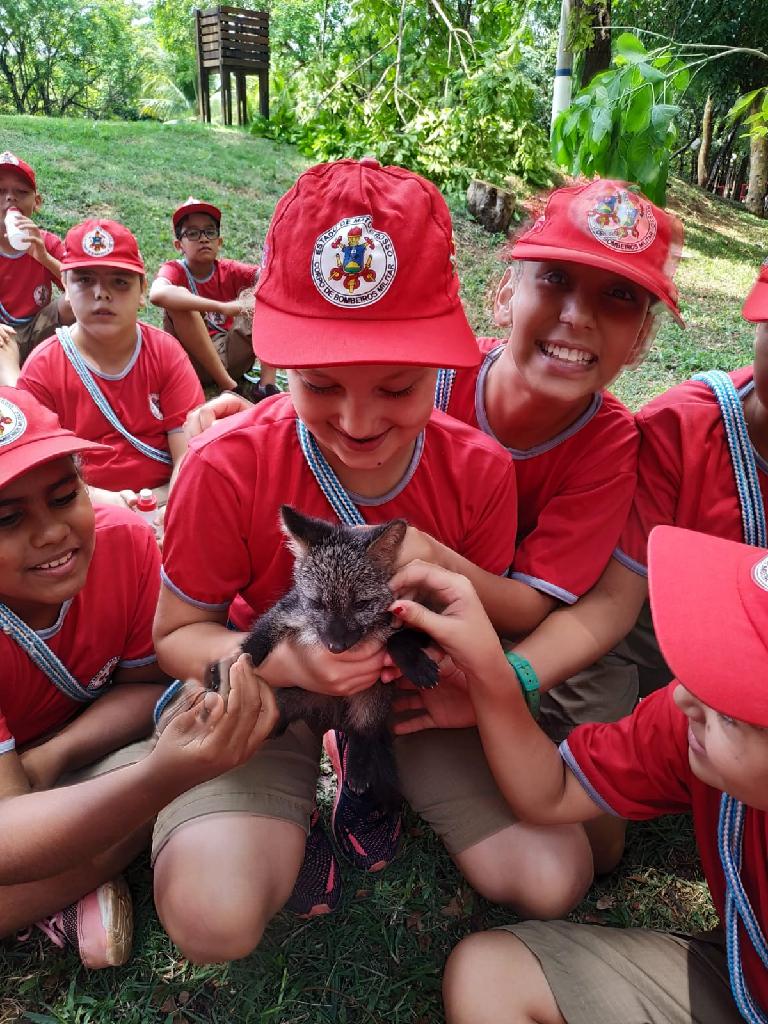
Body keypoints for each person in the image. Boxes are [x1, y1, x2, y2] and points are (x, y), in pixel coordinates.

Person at [150, 157, 594, 965]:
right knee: (212, 916)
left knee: (552, 875)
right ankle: (308, 784)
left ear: (444, 366)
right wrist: (290, 666)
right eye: (318, 385)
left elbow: (477, 628)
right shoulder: (226, 466)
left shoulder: (478, 471)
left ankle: (359, 761)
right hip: (267, 691)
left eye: (397, 387)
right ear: (277, 361)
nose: (358, 420)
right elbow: (180, 634)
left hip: (404, 701)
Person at [386, 526, 768, 1024]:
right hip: (746, 977)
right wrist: (489, 678)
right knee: (490, 977)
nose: (681, 699)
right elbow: (554, 793)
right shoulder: (686, 723)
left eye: (732, 714)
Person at [0, 385, 278, 968]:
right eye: (7, 519)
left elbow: (149, 685)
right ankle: (81, 870)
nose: (52, 532)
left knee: (187, 723)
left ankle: (72, 869)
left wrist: (59, 754)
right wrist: (158, 781)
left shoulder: (122, 541)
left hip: (85, 752)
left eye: (64, 494)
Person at [17, 219, 204, 515]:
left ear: (142, 290)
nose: (101, 293)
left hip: (169, 500)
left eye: (120, 281)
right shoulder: (42, 367)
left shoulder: (166, 353)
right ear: (64, 284)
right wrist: (108, 504)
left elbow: (191, 453)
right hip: (81, 509)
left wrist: (171, 510)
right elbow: (38, 471)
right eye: (84, 279)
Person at [149, 196, 277, 396]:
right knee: (179, 299)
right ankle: (227, 385)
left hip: (232, 355)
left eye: (210, 232)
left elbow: (272, 277)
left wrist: (252, 297)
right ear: (178, 245)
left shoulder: (229, 270)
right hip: (193, 364)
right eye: (192, 233)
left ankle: (266, 386)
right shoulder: (174, 269)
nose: (203, 238)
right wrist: (222, 307)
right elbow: (157, 294)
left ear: (219, 241)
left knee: (266, 293)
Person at [0, 151, 74, 385]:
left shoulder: (46, 242)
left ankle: (69, 367)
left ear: (37, 202)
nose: (10, 199)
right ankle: (19, 394)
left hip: (39, 326)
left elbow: (80, 285)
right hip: (3, 335)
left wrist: (43, 257)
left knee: (75, 300)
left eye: (21, 192)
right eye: (0, 191)